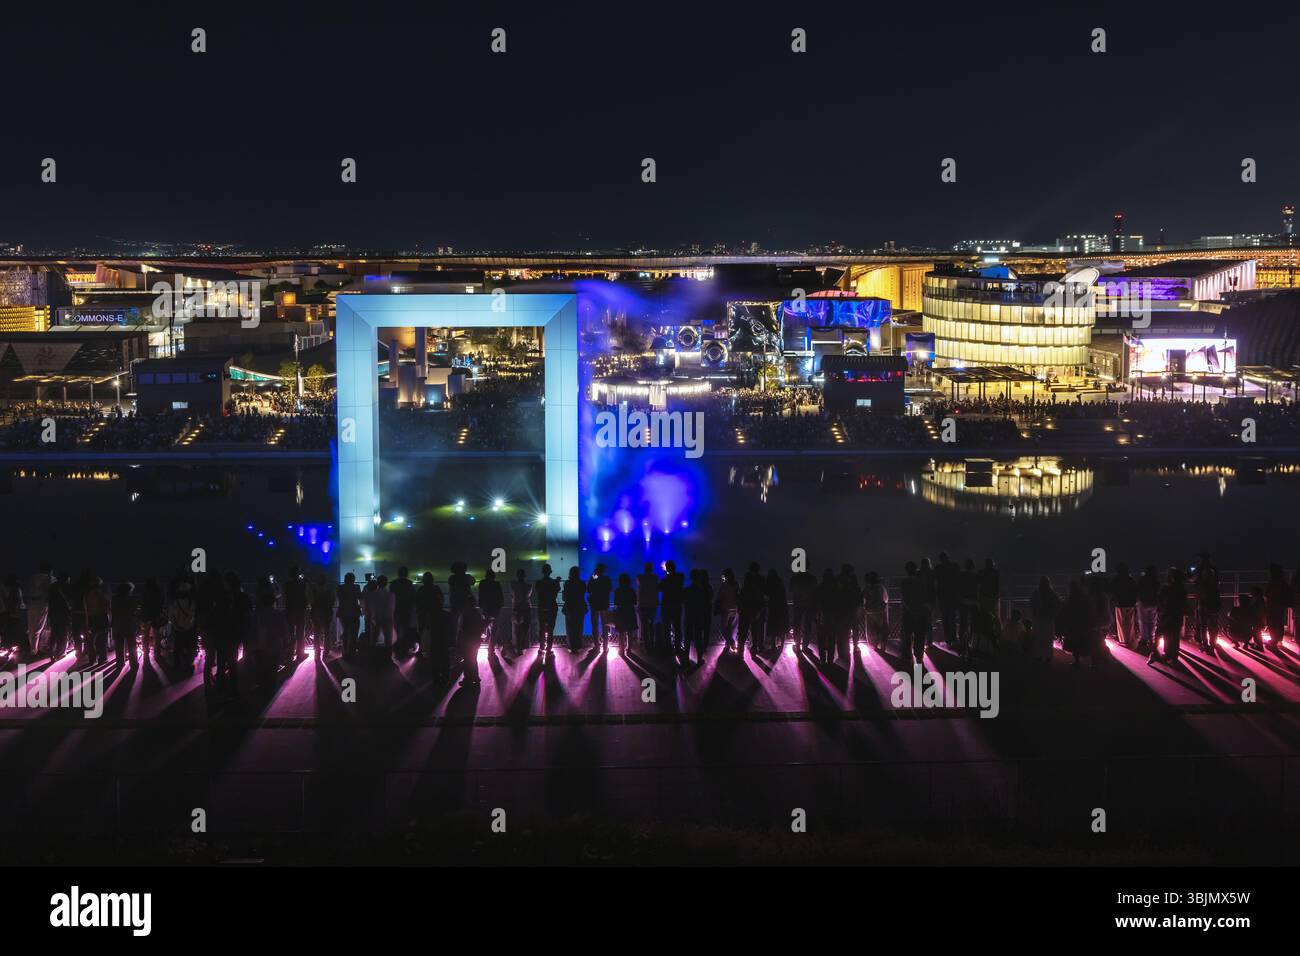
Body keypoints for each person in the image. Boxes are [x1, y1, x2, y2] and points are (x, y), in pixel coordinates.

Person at [252, 578, 287, 691]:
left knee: (260, 667)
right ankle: (270, 687)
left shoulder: (256, 614)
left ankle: (261, 685)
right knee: (272, 667)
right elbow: (284, 630)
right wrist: (287, 641)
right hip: (274, 646)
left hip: (259, 646)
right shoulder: (278, 614)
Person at [1149, 568, 1186, 666]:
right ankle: (1172, 656)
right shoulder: (1181, 589)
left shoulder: (1166, 588)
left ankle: (1157, 654)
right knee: (1173, 637)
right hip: (1176, 617)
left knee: (1160, 635)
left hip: (1166, 616)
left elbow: (1160, 601)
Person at [418, 573, 451, 684]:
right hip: (442, 636)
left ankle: (436, 678)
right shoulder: (436, 589)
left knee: (433, 652)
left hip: (426, 618)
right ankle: (445, 677)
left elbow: (418, 602)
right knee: (444, 655)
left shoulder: (422, 590)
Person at [1061, 580, 1097, 668]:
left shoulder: (1070, 599)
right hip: (1084, 624)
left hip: (1074, 625)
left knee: (1075, 644)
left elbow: (1065, 611)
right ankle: (1093, 662)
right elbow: (1090, 609)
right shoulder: (1084, 598)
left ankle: (1077, 662)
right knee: (1087, 643)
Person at [1190, 553, 1221, 653]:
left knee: (1203, 624)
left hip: (1203, 600)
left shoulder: (1199, 569)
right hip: (1215, 599)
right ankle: (1213, 644)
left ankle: (1205, 644)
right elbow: (1218, 581)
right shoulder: (1214, 569)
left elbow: (1191, 578)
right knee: (1213, 623)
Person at [900, 562, 928, 664]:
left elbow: (904, 598)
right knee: (919, 634)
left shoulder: (904, 582)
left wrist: (910, 609)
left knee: (907, 634)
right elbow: (925, 597)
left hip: (908, 612)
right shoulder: (921, 582)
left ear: (907, 570)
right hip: (920, 611)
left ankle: (907, 654)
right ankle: (919, 655)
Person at [169, 578, 198, 673]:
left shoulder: (175, 602)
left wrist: (175, 625)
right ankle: (188, 664)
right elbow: (193, 616)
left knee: (177, 648)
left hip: (178, 628)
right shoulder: (191, 602)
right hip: (189, 628)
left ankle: (176, 665)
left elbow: (171, 616)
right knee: (189, 647)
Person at [1029, 576, 1060, 665]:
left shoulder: (1035, 593)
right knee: (1048, 638)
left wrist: (1034, 612)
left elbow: (1032, 604)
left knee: (1038, 638)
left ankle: (1038, 656)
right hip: (1048, 618)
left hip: (1038, 619)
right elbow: (1058, 604)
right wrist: (1054, 613)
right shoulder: (1052, 593)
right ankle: (1048, 656)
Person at [682, 569, 710, 665]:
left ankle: (686, 659)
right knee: (698, 638)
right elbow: (705, 603)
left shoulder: (687, 590)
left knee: (687, 638)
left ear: (691, 577)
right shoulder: (702, 590)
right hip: (699, 616)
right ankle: (699, 659)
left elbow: (683, 601)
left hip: (689, 616)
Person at [738, 562, 766, 655]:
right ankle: (755, 650)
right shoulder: (761, 580)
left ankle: (740, 652)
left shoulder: (747, 579)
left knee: (743, 632)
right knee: (755, 631)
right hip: (756, 609)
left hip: (745, 609)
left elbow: (742, 595)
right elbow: (763, 596)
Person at [109, 581, 139, 669]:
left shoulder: (114, 599)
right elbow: (134, 613)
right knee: (132, 646)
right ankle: (133, 663)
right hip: (129, 624)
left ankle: (120, 663)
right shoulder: (132, 599)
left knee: (118, 645)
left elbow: (112, 611)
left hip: (117, 623)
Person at [934, 552, 961, 649]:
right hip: (952, 595)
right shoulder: (954, 566)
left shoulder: (938, 568)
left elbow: (935, 581)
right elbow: (958, 580)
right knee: (952, 618)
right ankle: (953, 638)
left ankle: (948, 639)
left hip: (942, 596)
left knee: (945, 618)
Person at [365, 576, 395, 659]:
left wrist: (370, 617)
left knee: (373, 639)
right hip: (387, 618)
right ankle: (388, 658)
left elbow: (370, 607)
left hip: (375, 618)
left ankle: (373, 657)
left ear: (378, 583)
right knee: (388, 639)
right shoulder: (391, 594)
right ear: (386, 583)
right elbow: (392, 608)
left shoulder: (372, 594)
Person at [1264, 564, 1292, 656]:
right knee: (1279, 623)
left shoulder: (1272, 583)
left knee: (1272, 623)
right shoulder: (1283, 582)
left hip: (1272, 606)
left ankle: (1274, 642)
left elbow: (1267, 594)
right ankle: (1278, 640)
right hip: (1281, 606)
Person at [283, 566, 309, 662]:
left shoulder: (287, 585)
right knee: (300, 633)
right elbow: (306, 592)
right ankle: (300, 654)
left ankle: (289, 654)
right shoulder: (302, 584)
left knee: (290, 633)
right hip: (300, 610)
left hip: (290, 610)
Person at [389, 566, 417, 657]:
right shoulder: (409, 584)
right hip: (407, 610)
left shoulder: (393, 584)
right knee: (406, 630)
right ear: (406, 574)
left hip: (396, 610)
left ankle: (396, 650)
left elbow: (390, 598)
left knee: (396, 630)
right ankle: (404, 650)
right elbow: (413, 598)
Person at [458, 592, 484, 686]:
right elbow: (481, 626)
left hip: (467, 639)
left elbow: (462, 628)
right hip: (475, 639)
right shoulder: (477, 613)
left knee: (467, 659)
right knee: (473, 658)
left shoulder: (465, 613)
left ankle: (468, 678)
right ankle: (475, 677)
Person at [26, 563, 52, 659]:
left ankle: (33, 649)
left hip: (30, 604)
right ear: (50, 570)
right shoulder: (49, 578)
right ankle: (36, 650)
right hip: (41, 603)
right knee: (39, 628)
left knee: (31, 627)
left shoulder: (32, 578)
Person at [84, 575, 110, 666]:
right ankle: (102, 659)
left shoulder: (87, 595)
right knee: (102, 640)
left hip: (91, 618)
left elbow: (86, 609)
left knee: (91, 640)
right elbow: (108, 608)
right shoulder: (103, 595)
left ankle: (92, 659)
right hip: (102, 618)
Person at [138, 576, 165, 664]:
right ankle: (157, 654)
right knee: (157, 636)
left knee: (145, 636)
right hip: (156, 616)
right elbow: (161, 603)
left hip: (146, 616)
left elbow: (141, 603)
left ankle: (146, 653)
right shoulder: (158, 592)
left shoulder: (144, 592)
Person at [309, 572, 336, 661]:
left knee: (316, 634)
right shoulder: (329, 590)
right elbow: (332, 601)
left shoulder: (314, 590)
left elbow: (311, 601)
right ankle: (326, 652)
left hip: (316, 613)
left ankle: (317, 654)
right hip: (326, 613)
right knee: (327, 634)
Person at [660, 560, 685, 655]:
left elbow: (659, 587)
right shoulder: (680, 576)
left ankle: (668, 647)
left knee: (666, 627)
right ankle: (678, 647)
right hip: (677, 605)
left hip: (666, 605)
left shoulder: (666, 578)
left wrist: (666, 575)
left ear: (667, 568)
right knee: (677, 627)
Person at [789, 566, 817, 653]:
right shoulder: (812, 578)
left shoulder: (794, 578)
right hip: (809, 604)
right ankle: (805, 646)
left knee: (797, 625)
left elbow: (791, 590)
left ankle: (797, 646)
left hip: (797, 604)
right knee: (807, 626)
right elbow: (815, 591)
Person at [336, 572, 363, 659]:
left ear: (345, 579)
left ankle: (345, 652)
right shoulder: (356, 587)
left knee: (345, 632)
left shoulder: (340, 587)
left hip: (343, 612)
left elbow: (338, 597)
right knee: (354, 633)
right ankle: (352, 652)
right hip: (354, 612)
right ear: (353, 579)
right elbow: (360, 597)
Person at [46, 571, 72, 660]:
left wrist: (49, 614)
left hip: (53, 613)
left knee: (54, 633)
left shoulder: (53, 586)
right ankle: (60, 653)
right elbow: (70, 601)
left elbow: (49, 600)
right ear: (66, 578)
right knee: (63, 634)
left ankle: (51, 652)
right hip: (64, 613)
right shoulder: (68, 587)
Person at [1111, 563, 1138, 648]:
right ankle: (1130, 639)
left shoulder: (1116, 580)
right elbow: (1135, 591)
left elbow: (1113, 591)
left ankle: (1123, 641)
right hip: (1130, 603)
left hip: (1120, 604)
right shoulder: (1131, 580)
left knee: (1121, 623)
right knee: (1130, 622)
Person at [535, 564, 560, 654]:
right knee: (550, 628)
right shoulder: (554, 582)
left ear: (543, 572)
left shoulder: (539, 583)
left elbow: (537, 592)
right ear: (550, 571)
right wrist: (557, 581)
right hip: (552, 607)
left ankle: (542, 647)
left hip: (542, 607)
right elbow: (557, 590)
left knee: (542, 628)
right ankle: (549, 648)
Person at [815, 568, 839, 663]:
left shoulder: (819, 588)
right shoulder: (835, 588)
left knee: (821, 639)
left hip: (821, 617)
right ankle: (830, 659)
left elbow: (816, 602)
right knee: (831, 639)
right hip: (832, 617)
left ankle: (822, 659)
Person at [478, 569, 504, 653]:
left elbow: (481, 595)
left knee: (487, 625)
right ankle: (492, 646)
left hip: (486, 608)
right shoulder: (496, 584)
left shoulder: (482, 583)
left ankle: (486, 643)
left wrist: (481, 605)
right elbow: (500, 596)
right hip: (495, 608)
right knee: (494, 627)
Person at [586, 564, 612, 648]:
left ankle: (596, 644)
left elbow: (589, 589)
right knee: (605, 625)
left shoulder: (593, 578)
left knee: (595, 625)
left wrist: (593, 577)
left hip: (594, 604)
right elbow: (610, 589)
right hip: (604, 604)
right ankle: (605, 645)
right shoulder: (607, 579)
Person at [1136, 565, 1160, 652]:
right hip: (1153, 603)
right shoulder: (1156, 580)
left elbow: (1138, 590)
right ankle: (1151, 638)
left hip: (1143, 602)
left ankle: (1144, 639)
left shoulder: (1142, 580)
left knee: (1143, 622)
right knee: (1152, 622)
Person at [562, 567, 587, 652]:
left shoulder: (567, 583)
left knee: (570, 628)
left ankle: (571, 646)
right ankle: (578, 646)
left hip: (569, 608)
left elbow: (564, 597)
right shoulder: (582, 583)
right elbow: (583, 594)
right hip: (580, 608)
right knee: (579, 627)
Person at [636, 562, 660, 651]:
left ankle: (647, 647)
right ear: (651, 569)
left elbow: (639, 591)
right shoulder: (655, 577)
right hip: (652, 605)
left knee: (644, 627)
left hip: (643, 605)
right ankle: (653, 645)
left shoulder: (640, 577)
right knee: (651, 626)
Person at [862, 571, 889, 650]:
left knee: (871, 630)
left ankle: (874, 645)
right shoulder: (881, 587)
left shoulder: (866, 588)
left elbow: (862, 598)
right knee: (881, 629)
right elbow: (886, 599)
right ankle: (882, 645)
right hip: (880, 611)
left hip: (869, 612)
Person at [715, 568, 739, 653]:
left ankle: (730, 643)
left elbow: (719, 597)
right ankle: (729, 644)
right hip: (735, 609)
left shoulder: (724, 585)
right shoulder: (736, 584)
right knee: (731, 628)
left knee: (724, 628)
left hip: (725, 609)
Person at [510, 568, 533, 655]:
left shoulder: (513, 585)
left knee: (517, 629)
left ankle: (517, 647)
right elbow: (527, 596)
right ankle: (523, 646)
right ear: (524, 575)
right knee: (525, 629)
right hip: (526, 608)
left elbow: (513, 595)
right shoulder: (529, 586)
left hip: (517, 608)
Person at [765, 569, 788, 651]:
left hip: (773, 607)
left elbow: (766, 593)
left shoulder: (769, 582)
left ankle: (773, 645)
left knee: (773, 626)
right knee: (781, 626)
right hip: (782, 607)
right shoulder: (780, 582)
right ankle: (781, 645)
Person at [613, 572, 637, 651]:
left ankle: (621, 648)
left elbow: (616, 602)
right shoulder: (631, 590)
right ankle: (629, 647)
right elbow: (635, 601)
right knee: (629, 630)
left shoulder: (617, 591)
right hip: (630, 611)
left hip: (620, 612)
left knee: (621, 631)